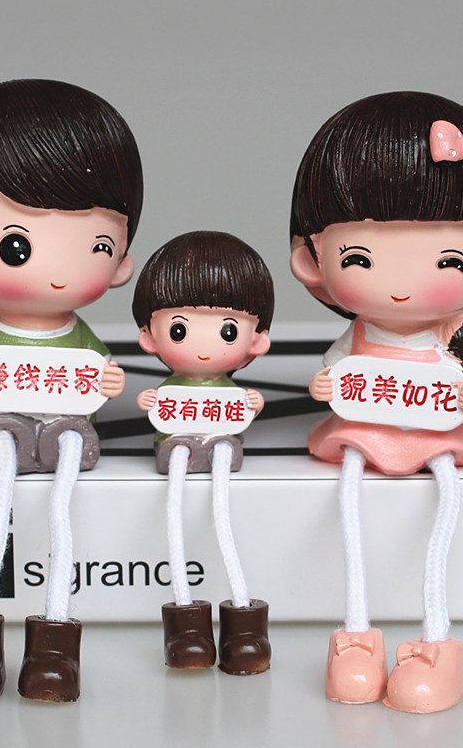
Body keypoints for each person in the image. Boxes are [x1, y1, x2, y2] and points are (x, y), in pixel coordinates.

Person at [290, 91, 463, 713]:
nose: (398, 287)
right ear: (312, 261)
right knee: (349, 505)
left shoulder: (453, 342)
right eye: (360, 258)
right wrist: (326, 385)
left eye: (447, 259)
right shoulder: (359, 336)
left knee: (443, 509)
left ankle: (437, 645)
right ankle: (355, 637)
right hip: (365, 427)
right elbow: (340, 366)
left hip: (439, 430)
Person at [0, 78, 143, 704]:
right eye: (17, 246)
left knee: (66, 463)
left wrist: (107, 381)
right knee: (4, 463)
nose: (61, 271)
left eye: (98, 245)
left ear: (122, 259)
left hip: (62, 425)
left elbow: (94, 374)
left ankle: (53, 650)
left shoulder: (77, 333)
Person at [132, 231, 274, 675]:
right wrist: (151, 402)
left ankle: (244, 627)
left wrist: (251, 403)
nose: (204, 344)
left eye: (228, 330)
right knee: (175, 508)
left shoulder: (227, 390)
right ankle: (187, 628)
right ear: (149, 336)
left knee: (222, 505)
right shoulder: (173, 389)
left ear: (257, 340)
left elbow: (241, 409)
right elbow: (161, 408)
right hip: (175, 441)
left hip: (222, 441)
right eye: (180, 329)